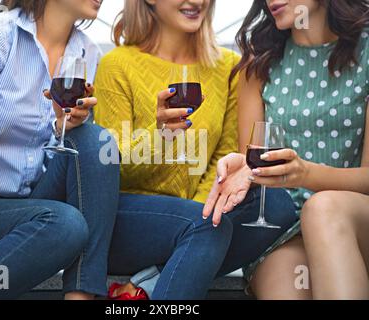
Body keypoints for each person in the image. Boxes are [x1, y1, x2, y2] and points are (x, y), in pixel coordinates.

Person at [94, 0, 297, 300]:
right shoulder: (117, 64)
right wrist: (160, 136)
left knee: (277, 204)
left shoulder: (229, 66)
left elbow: (224, 158)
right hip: (128, 219)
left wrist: (201, 210)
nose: (197, 2)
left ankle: (148, 285)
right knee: (205, 228)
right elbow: (111, 165)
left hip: (196, 223)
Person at [0, 0, 120, 300]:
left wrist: (63, 129)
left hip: (33, 203)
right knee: (66, 225)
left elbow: (63, 160)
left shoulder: (88, 53)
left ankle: (81, 295)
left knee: (95, 140)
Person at [205, 0, 369, 299]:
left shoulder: (366, 51)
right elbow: (254, 163)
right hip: (282, 230)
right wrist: (242, 168)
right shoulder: (260, 60)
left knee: (322, 208)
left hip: (356, 220)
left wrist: (305, 174)